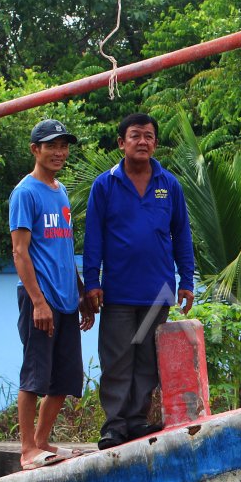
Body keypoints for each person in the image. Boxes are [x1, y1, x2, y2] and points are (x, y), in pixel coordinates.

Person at [83, 113, 195, 449]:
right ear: (121, 143)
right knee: (118, 360)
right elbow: (93, 239)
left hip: (158, 293)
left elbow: (181, 235)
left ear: (155, 143)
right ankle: (114, 426)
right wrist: (92, 282)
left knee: (146, 360)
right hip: (117, 293)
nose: (142, 141)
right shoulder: (105, 185)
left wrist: (186, 279)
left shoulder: (169, 185)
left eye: (148, 136)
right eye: (135, 136)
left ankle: (136, 422)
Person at [9, 119, 95, 470]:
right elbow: (20, 252)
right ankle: (27, 449)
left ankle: (44, 441)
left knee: (65, 377)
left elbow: (63, 250)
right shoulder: (25, 193)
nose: (60, 152)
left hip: (65, 299)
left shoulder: (60, 192)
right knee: (35, 375)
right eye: (52, 146)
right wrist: (38, 302)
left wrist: (81, 295)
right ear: (35, 150)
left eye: (64, 145)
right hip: (39, 299)